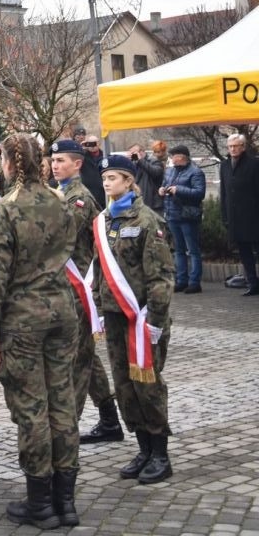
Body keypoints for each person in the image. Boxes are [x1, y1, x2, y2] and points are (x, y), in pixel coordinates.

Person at [0, 133, 79, 529]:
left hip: (22, 319)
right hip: (61, 312)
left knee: (32, 410)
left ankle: (40, 501)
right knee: (62, 403)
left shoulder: (6, 210)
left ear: (8, 163)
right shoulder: (61, 202)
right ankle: (65, 501)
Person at [93, 154, 174, 485]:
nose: (107, 183)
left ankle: (160, 453)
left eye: (113, 177)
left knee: (148, 385)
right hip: (114, 317)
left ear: (129, 181)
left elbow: (161, 276)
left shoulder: (146, 220)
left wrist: (155, 318)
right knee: (124, 384)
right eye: (105, 178)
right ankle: (142, 448)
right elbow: (99, 269)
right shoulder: (104, 220)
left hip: (141, 318)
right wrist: (98, 304)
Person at [50, 138, 125, 449]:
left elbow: (58, 232)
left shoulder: (78, 198)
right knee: (86, 356)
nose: (55, 166)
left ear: (77, 164)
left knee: (77, 359)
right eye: (53, 161)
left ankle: (66, 429)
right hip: (66, 288)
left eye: (62, 161)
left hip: (80, 287)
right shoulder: (59, 194)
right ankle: (109, 421)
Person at [159, 143, 206, 294]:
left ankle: (194, 282)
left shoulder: (196, 172)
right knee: (178, 250)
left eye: (173, 156)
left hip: (188, 216)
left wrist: (179, 190)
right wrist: (161, 190)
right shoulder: (170, 171)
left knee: (193, 250)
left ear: (181, 157)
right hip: (172, 215)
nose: (171, 159)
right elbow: (164, 185)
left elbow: (199, 193)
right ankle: (181, 281)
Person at [219, 133, 259, 296]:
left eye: (236, 146)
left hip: (253, 215)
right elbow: (224, 192)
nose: (233, 149)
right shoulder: (225, 165)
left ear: (243, 147)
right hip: (235, 217)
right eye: (230, 146)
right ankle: (252, 283)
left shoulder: (254, 163)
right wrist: (225, 214)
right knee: (244, 252)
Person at [127, 143, 165, 216]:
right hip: (139, 202)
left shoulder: (154, 161)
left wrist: (140, 160)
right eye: (131, 153)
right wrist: (127, 162)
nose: (132, 155)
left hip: (153, 204)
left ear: (141, 152)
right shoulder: (134, 163)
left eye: (134, 153)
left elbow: (155, 173)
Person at [75, 128, 105, 208]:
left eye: (94, 143)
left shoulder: (105, 156)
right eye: (90, 144)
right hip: (88, 194)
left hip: (102, 195)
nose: (92, 146)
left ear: (99, 144)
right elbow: (74, 159)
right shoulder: (83, 156)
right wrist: (80, 147)